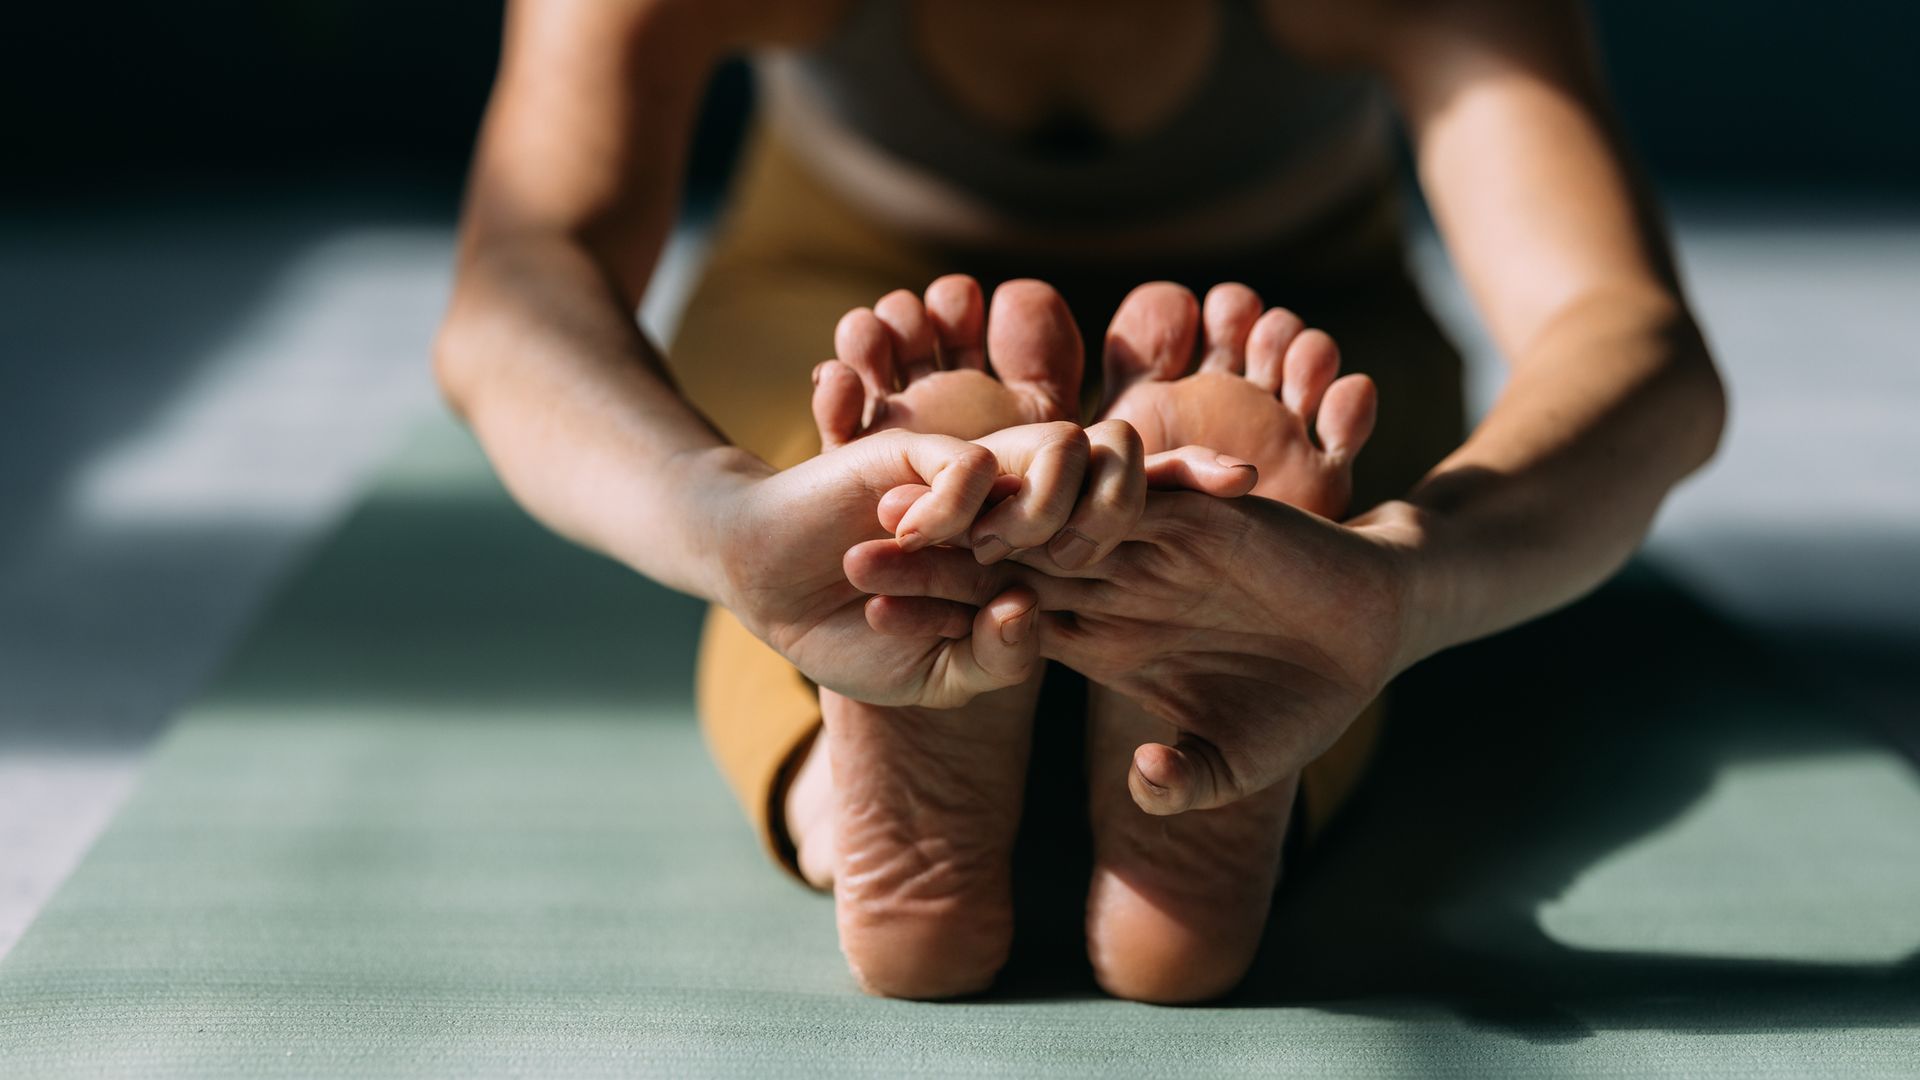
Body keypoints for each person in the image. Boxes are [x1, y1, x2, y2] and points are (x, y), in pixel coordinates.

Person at [433, 0, 1726, 1003]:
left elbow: (1630, 346)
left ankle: (874, 740)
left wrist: (1401, 576)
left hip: (1294, 317)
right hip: (855, 286)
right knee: (825, 479)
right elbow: (518, 290)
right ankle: (1185, 769)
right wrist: (719, 517)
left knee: (1297, 524)